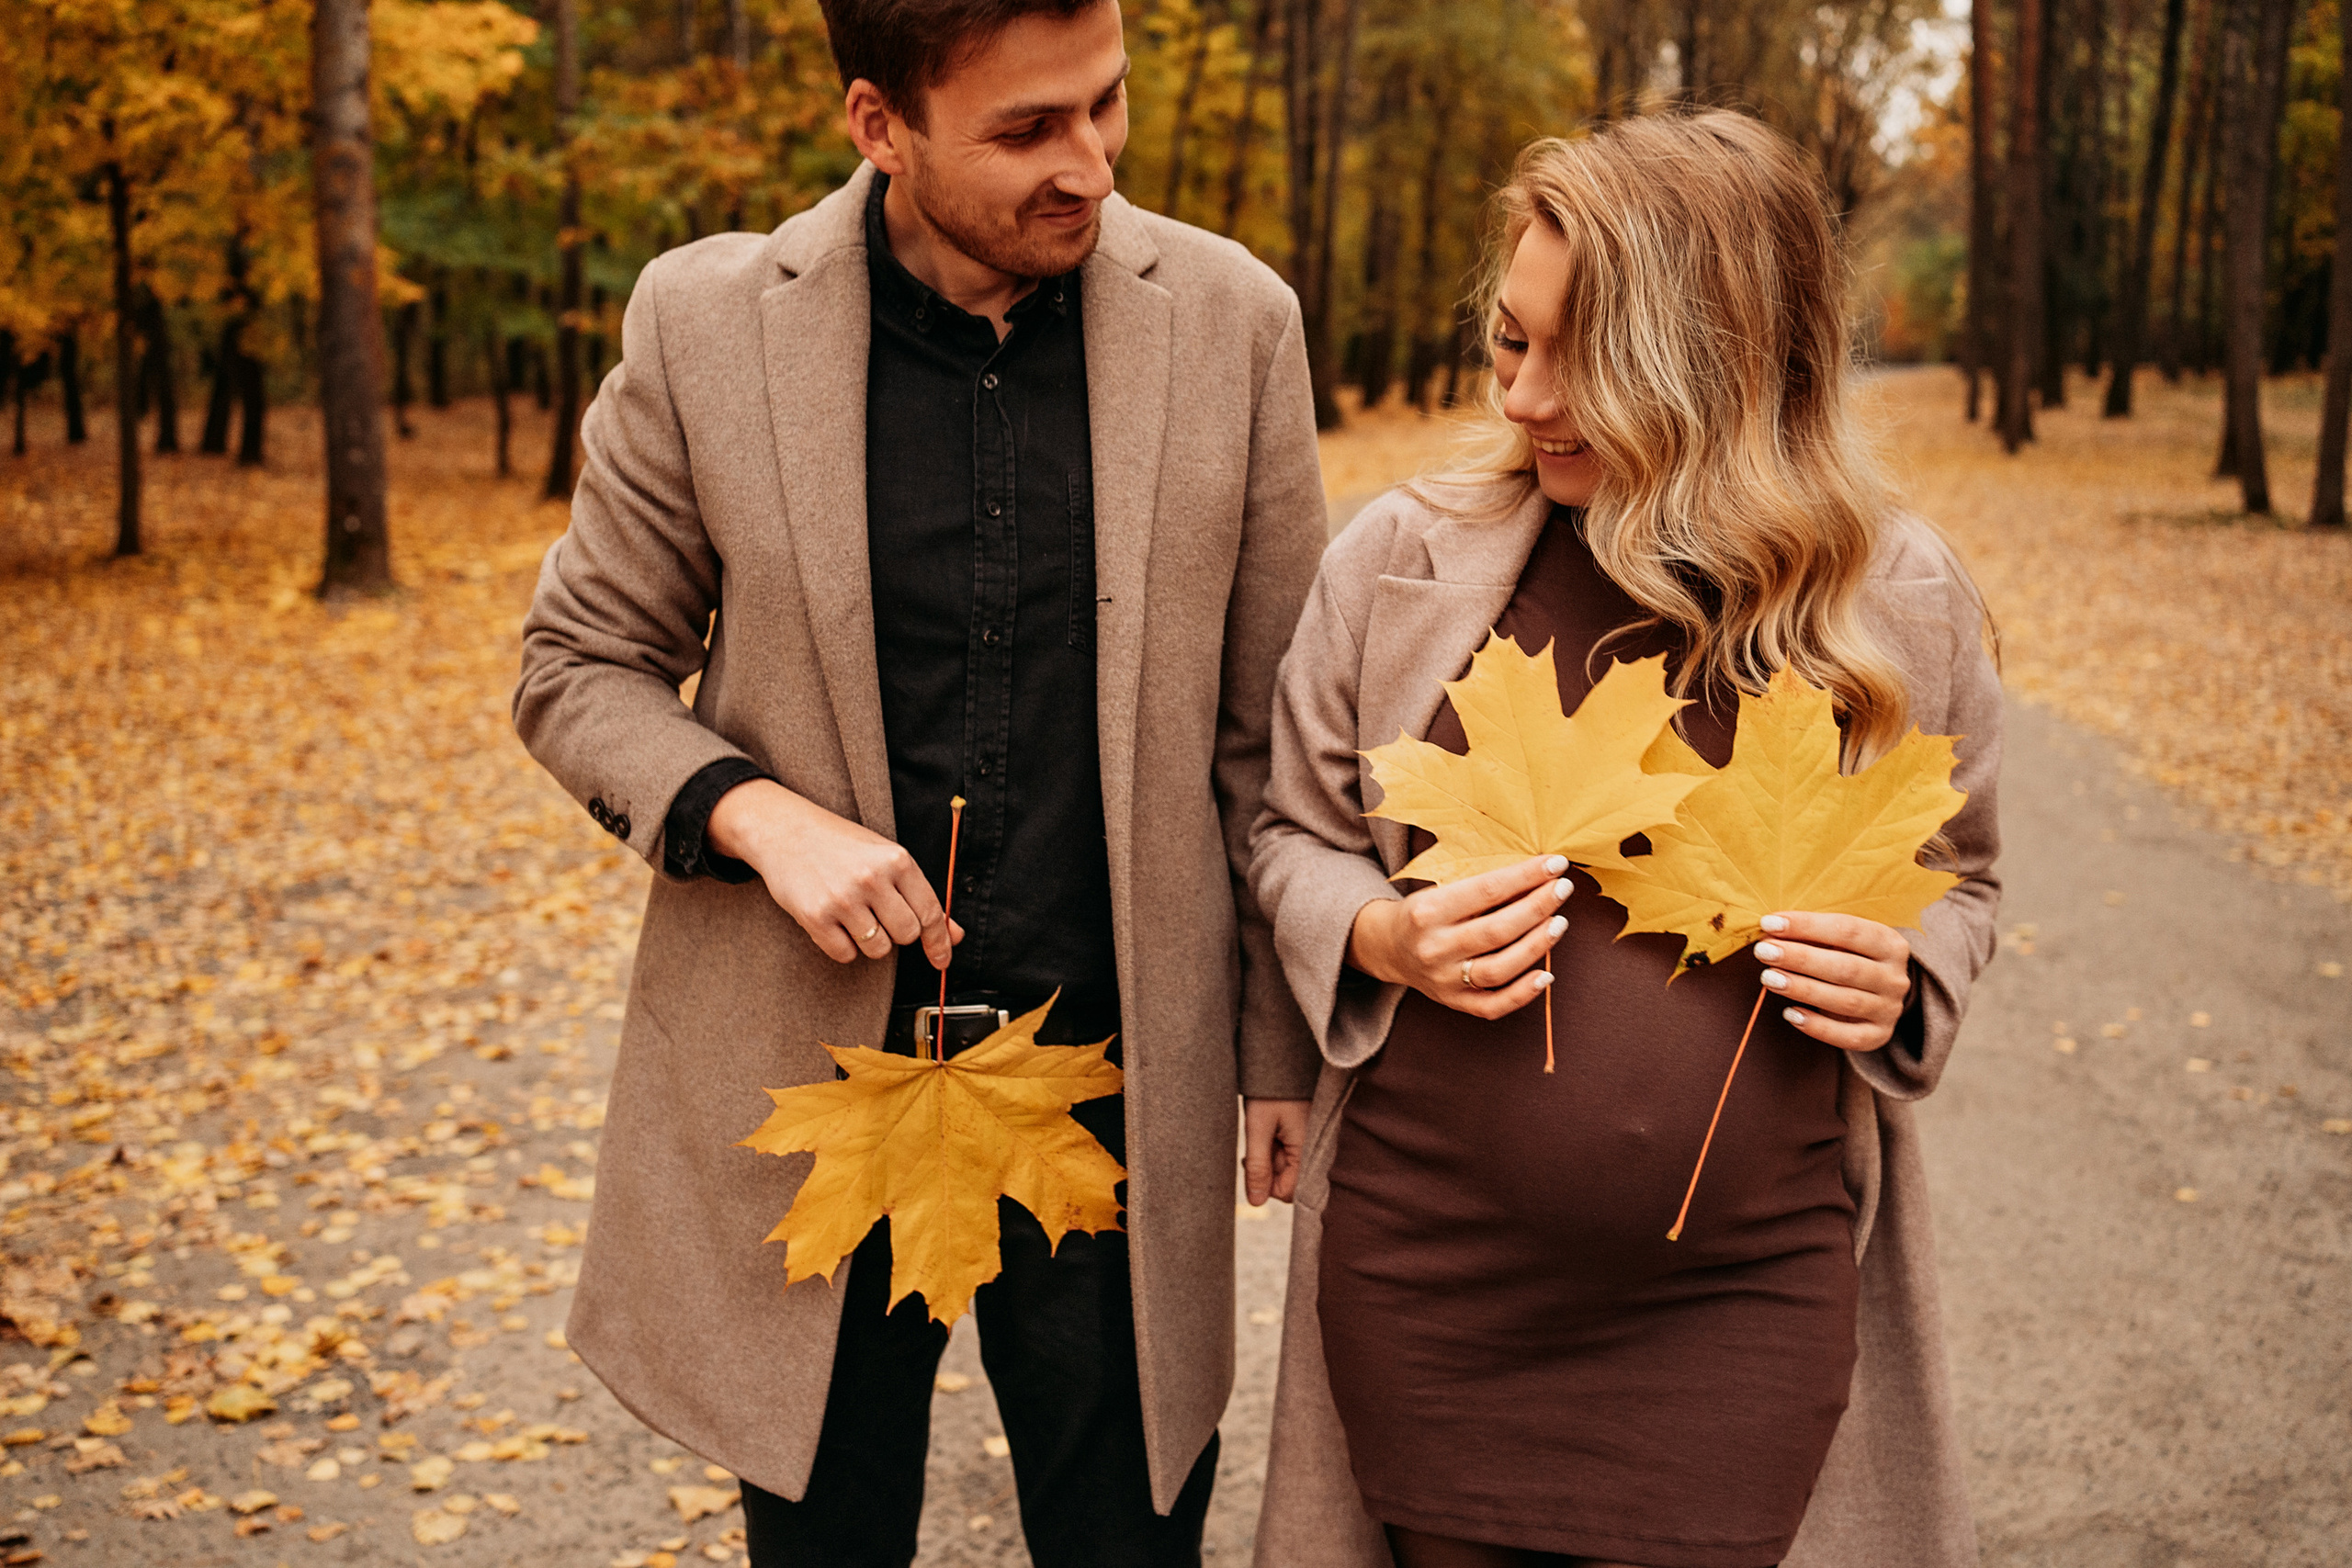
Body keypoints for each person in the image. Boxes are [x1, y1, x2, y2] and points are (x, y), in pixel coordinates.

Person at [511, 2, 1329, 1562]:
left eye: (1107, 105)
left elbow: (1269, 731)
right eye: (1027, 130)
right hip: (814, 1082)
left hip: (1110, 1076)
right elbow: (576, 667)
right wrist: (752, 812)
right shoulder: (705, 323)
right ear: (878, 125)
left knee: (1127, 1538)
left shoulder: (1236, 321)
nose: (1087, 164)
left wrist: (1276, 1047)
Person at [1245, 112, 2002, 1568]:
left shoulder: (1892, 604)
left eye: (1576, 357)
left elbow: (1962, 881)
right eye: (1507, 344)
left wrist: (1907, 976)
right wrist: (1378, 932)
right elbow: (1293, 835)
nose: (1526, 397)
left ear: (1713, 358)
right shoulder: (1399, 563)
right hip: (1431, 1284)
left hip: (1740, 1303)